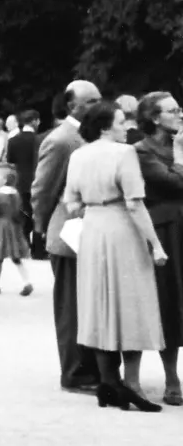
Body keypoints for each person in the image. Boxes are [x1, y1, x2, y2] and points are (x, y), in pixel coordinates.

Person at [62, 100, 166, 412]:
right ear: (106, 126)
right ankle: (128, 385)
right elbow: (135, 203)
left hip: (93, 229)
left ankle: (109, 382)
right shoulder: (125, 153)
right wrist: (156, 244)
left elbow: (70, 203)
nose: (126, 127)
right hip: (122, 228)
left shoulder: (78, 155)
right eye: (121, 122)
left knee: (100, 303)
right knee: (131, 301)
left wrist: (94, 205)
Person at [32, 80, 104, 395]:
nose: (98, 105)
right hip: (68, 236)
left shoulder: (89, 137)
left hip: (89, 235)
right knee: (71, 307)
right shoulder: (61, 140)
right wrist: (40, 226)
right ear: (72, 105)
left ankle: (90, 368)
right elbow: (42, 189)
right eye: (91, 101)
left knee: (87, 304)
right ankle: (75, 372)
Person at [134, 91, 183, 404]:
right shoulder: (141, 150)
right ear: (154, 118)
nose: (180, 115)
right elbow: (173, 184)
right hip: (167, 232)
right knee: (171, 302)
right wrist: (179, 155)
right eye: (173, 110)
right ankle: (171, 376)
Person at [0, 166, 33, 296]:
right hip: (15, 226)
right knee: (16, 257)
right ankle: (26, 282)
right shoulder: (16, 194)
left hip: (1, 227)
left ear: (4, 180)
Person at [8, 110, 43, 255]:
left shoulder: (13, 140)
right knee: (38, 213)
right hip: (37, 180)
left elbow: (11, 161)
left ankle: (23, 246)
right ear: (34, 121)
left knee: (23, 213)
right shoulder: (39, 140)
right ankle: (38, 249)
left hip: (21, 181)